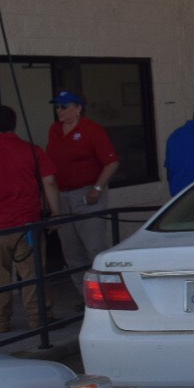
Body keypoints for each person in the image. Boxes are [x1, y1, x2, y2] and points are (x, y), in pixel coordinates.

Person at [0, 106, 60, 333]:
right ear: (14, 124)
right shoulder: (32, 150)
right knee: (33, 273)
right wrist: (56, 213)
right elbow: (49, 182)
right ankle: (40, 319)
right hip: (28, 224)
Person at [45, 90, 119, 287]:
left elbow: (111, 163)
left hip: (87, 194)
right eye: (57, 106)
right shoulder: (54, 130)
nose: (59, 110)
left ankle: (106, 292)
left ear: (78, 108)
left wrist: (97, 188)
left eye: (64, 106)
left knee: (94, 246)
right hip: (62, 195)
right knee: (71, 250)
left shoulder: (93, 130)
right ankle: (84, 295)